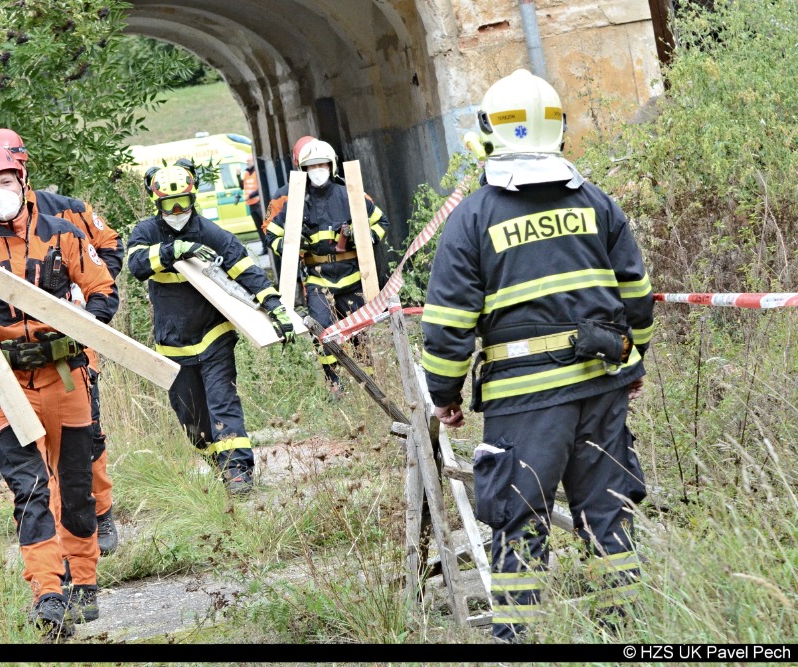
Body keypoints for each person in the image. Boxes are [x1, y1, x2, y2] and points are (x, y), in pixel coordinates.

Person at [420, 69, 655, 643]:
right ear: (559, 129)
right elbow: (638, 296)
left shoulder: (473, 217)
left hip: (524, 403)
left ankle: (517, 642)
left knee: (519, 517)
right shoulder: (596, 203)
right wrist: (633, 362)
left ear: (490, 131)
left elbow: (449, 322)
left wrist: (444, 394)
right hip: (601, 384)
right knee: (609, 513)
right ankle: (624, 634)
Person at [0, 146, 119, 637]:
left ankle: (83, 583)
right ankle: (48, 593)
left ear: (22, 181)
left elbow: (103, 290)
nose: (0, 193)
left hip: (66, 377)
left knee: (75, 486)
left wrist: (84, 324)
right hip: (6, 385)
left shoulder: (62, 233)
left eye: (6, 183)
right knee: (30, 489)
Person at [0, 129, 123, 559]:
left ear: (23, 169)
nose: (3, 189)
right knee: (31, 450)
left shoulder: (68, 212)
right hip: (22, 357)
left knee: (87, 434)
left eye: (11, 174)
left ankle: (100, 513)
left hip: (76, 343)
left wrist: (83, 301)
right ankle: (57, 533)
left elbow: (110, 248)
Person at [126, 162, 295, 495]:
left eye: (183, 203)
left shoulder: (209, 232)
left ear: (193, 199)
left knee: (223, 401)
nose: (178, 212)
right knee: (192, 420)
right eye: (170, 205)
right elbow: (136, 264)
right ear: (158, 205)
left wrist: (275, 306)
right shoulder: (146, 232)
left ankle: (238, 471)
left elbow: (246, 269)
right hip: (172, 343)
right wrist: (175, 250)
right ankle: (219, 464)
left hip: (214, 335)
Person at [264, 138, 388, 398]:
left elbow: (381, 222)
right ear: (303, 169)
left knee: (358, 332)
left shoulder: (350, 194)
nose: (317, 170)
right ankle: (335, 383)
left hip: (351, 277)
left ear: (331, 166)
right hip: (318, 280)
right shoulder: (296, 202)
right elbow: (272, 234)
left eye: (322, 165)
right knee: (321, 330)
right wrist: (292, 245)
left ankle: (370, 385)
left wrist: (364, 237)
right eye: (312, 166)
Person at [261, 135, 317, 284]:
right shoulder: (284, 195)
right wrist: (287, 245)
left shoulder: (342, 189)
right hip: (305, 265)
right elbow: (268, 228)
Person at [240, 155, 266, 253]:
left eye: (249, 161)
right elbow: (242, 186)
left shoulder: (256, 172)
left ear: (254, 161)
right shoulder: (246, 173)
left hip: (258, 203)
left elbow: (260, 188)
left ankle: (269, 246)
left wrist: (250, 196)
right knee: (259, 228)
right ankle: (264, 247)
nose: (247, 162)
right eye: (246, 161)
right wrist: (238, 175)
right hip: (251, 205)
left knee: (264, 226)